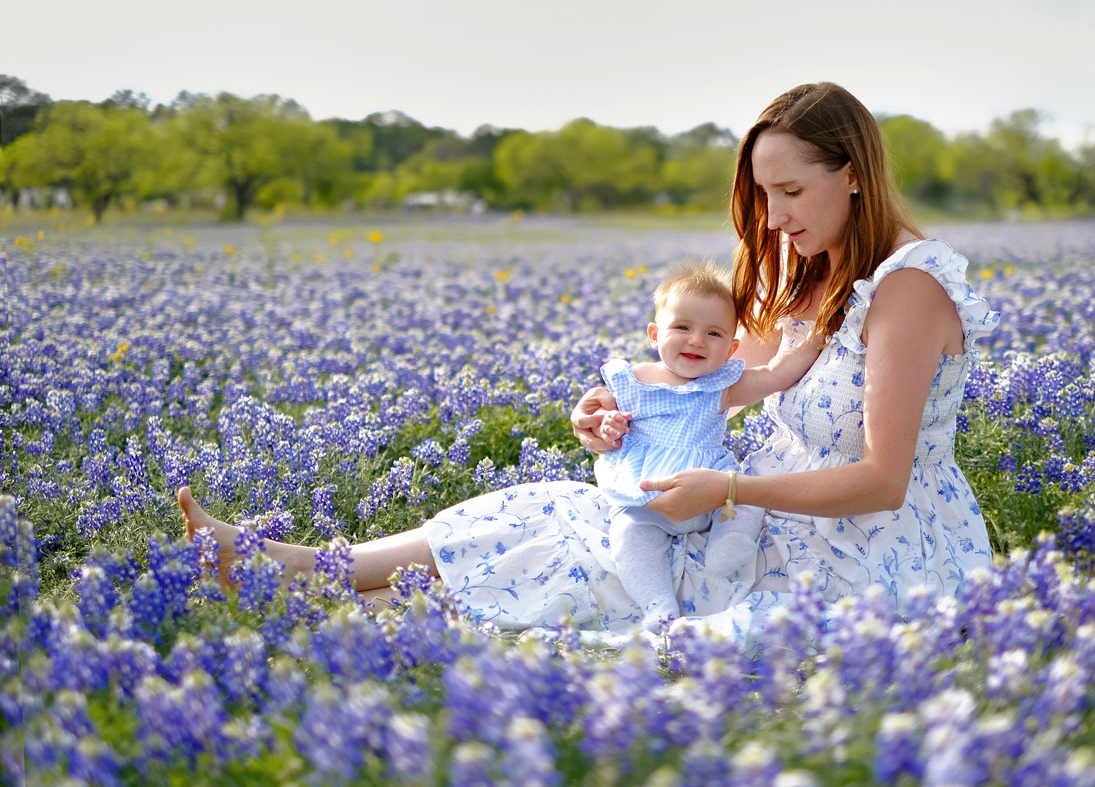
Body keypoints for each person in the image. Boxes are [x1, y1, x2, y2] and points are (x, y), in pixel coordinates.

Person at [178, 81, 1000, 642]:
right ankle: (294, 568)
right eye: (762, 195)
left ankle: (295, 597)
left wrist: (732, 488)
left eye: (790, 192)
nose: (773, 217)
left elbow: (884, 480)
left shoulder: (910, 290)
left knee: (585, 565)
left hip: (857, 552)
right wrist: (615, 410)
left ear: (851, 175)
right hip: (752, 514)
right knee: (548, 509)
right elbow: (708, 377)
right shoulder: (818, 271)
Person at [592, 260, 820, 632]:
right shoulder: (632, 381)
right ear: (654, 334)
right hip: (648, 496)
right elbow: (607, 429)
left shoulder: (722, 385)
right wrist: (610, 425)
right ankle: (657, 603)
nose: (697, 340)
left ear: (731, 348)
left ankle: (728, 544)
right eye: (682, 327)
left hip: (712, 490)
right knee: (627, 535)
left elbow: (777, 374)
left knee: (747, 496)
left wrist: (816, 336)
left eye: (713, 334)